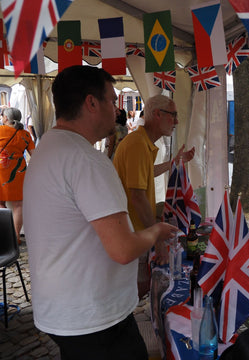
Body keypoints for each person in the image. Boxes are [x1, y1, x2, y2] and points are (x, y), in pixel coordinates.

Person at [23, 65, 177, 360]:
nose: (117, 109)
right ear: (91, 103)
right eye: (111, 100)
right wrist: (157, 231)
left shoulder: (49, 147)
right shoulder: (86, 159)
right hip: (93, 318)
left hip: (65, 309)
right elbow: (122, 249)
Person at [113, 94, 195, 297]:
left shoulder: (141, 141)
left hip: (135, 229)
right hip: (133, 230)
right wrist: (157, 238)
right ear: (157, 114)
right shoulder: (138, 144)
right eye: (173, 115)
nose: (176, 121)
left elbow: (147, 171)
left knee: (141, 285)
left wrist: (174, 162)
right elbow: (137, 197)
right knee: (138, 288)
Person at [0, 107, 35, 242]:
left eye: (2, 115)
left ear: (7, 118)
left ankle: (4, 237)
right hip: (18, 172)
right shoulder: (25, 134)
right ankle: (15, 237)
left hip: (0, 170)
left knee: (0, 203)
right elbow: (34, 155)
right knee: (18, 205)